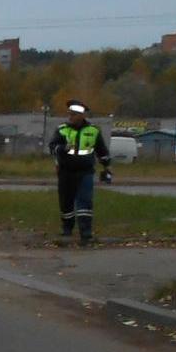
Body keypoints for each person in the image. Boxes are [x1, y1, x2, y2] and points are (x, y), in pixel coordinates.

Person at [48, 100, 111, 245]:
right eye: (69, 114)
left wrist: (106, 166)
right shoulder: (62, 129)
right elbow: (52, 147)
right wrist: (63, 148)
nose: (70, 117)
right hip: (65, 172)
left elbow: (102, 150)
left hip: (85, 172)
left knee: (85, 202)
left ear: (82, 115)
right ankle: (67, 229)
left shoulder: (93, 130)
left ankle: (86, 233)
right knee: (66, 202)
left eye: (74, 115)